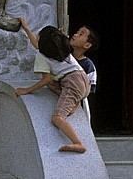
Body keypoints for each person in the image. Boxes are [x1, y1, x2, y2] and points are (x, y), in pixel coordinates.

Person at [15, 18, 91, 153]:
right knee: (52, 84)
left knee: (57, 118)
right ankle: (74, 103)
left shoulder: (42, 56)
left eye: (38, 36)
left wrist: (27, 90)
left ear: (44, 43)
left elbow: (46, 78)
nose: (37, 38)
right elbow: (37, 45)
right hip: (83, 81)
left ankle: (78, 143)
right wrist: (26, 28)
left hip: (72, 84)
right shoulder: (62, 49)